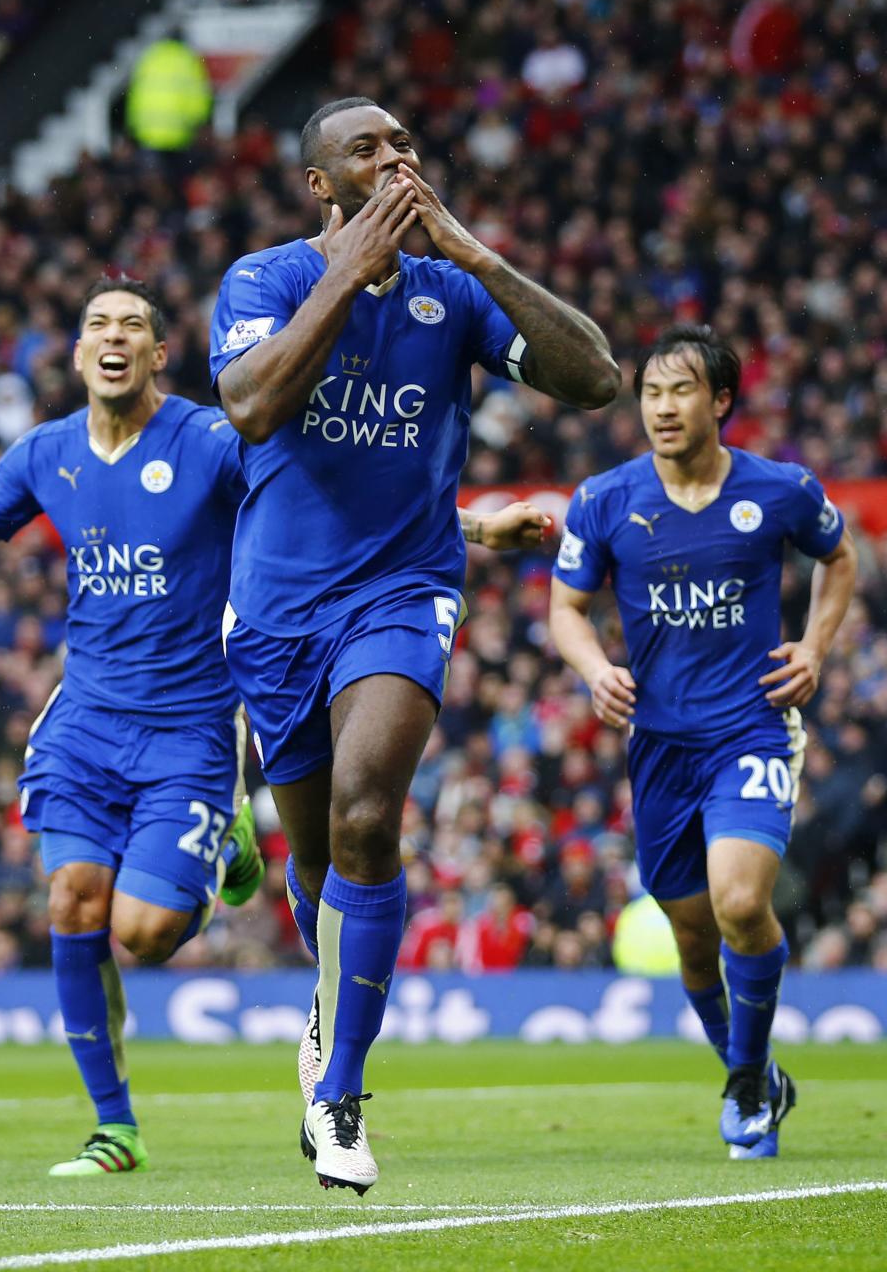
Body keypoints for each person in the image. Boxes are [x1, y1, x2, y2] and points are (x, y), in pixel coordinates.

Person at [0, 276, 551, 1178]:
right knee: (71, 905)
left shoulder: (211, 439)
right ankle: (112, 1125)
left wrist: (477, 528)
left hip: (191, 728)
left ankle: (226, 846)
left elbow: (339, 504)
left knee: (146, 931)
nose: (114, 336)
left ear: (162, 354)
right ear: (80, 352)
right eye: (97, 325)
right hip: (84, 721)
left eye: (133, 325)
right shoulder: (45, 453)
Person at [207, 96, 617, 1193]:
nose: (394, 160)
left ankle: (337, 1091)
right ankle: (329, 1005)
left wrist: (474, 255)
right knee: (313, 858)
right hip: (277, 608)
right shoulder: (265, 281)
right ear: (320, 185)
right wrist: (352, 270)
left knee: (364, 812)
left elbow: (594, 377)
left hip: (401, 588)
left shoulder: (454, 294)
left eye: (403, 145)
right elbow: (249, 406)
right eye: (365, 151)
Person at [548, 324, 857, 1159]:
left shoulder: (781, 490)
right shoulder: (607, 500)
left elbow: (840, 558)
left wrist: (816, 647)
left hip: (749, 728)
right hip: (658, 748)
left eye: (681, 390)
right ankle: (751, 1071)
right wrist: (592, 669)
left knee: (741, 903)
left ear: (721, 401)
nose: (662, 407)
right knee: (691, 941)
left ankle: (746, 1085)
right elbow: (565, 608)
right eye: (651, 392)